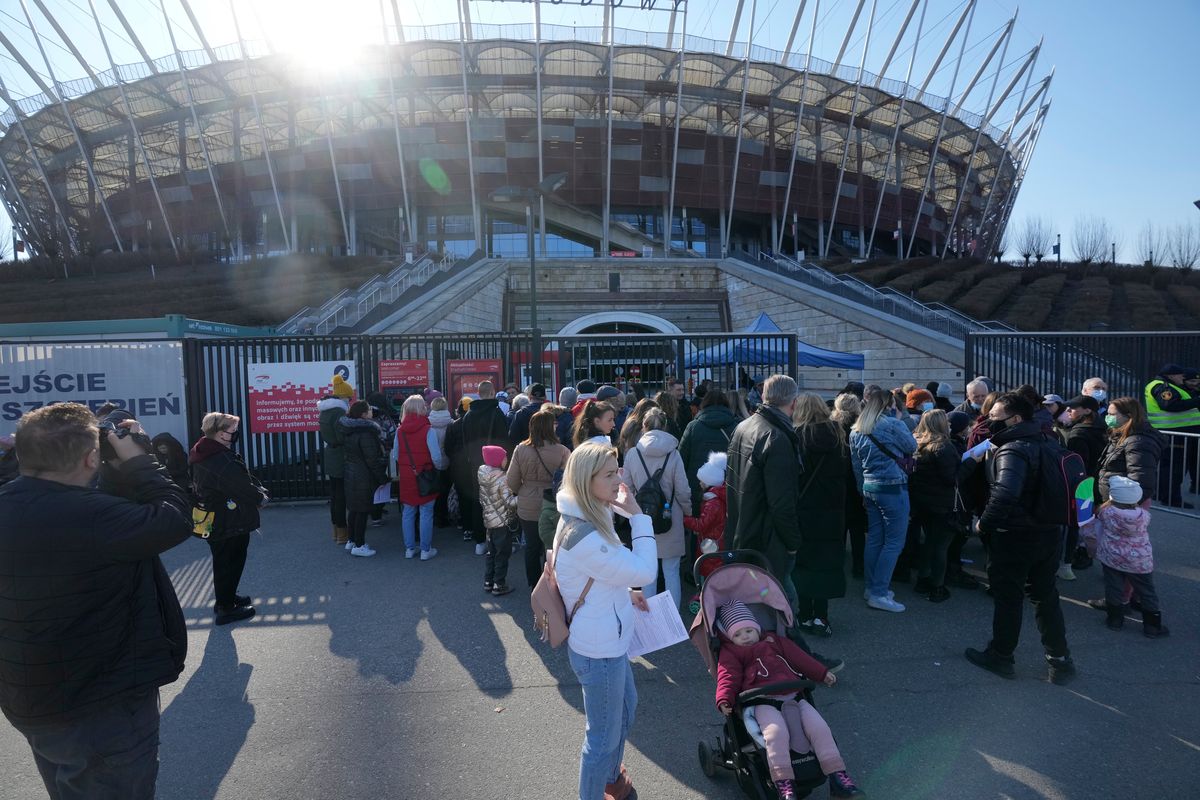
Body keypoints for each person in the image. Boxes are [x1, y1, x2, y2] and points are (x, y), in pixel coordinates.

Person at [0, 403, 191, 799]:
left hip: (30, 695)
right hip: (100, 706)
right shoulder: (96, 518)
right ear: (91, 458)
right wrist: (139, 458)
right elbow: (174, 516)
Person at [552, 442, 656, 800]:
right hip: (599, 649)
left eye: (618, 470)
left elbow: (587, 577)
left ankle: (611, 777)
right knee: (601, 738)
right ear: (586, 480)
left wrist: (626, 592)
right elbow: (644, 569)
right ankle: (596, 790)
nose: (619, 480)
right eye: (610, 474)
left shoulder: (589, 513)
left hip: (607, 639)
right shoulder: (584, 533)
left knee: (626, 709)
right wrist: (639, 516)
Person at [963, 392, 1075, 684]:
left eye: (995, 419)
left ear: (1015, 419)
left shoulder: (1013, 449)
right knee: (1045, 596)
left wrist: (984, 525)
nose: (990, 424)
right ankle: (1059, 660)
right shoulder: (1049, 442)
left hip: (1015, 535)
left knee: (1009, 597)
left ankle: (1001, 656)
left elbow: (1005, 493)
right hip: (1049, 531)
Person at [713, 601, 862, 799]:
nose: (745, 637)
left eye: (748, 630)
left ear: (757, 628)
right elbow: (727, 676)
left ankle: (838, 777)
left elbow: (800, 658)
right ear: (730, 638)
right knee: (776, 734)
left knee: (820, 729)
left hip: (794, 697)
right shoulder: (731, 652)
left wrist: (821, 672)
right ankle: (784, 782)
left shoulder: (774, 641)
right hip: (761, 701)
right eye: (737, 635)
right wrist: (724, 699)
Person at [1086, 398, 1164, 615]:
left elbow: (1140, 480)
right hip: (1119, 503)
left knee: (1125, 554)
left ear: (1128, 416)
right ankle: (1134, 597)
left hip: (1125, 506)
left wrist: (1115, 505)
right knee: (1128, 552)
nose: (1107, 417)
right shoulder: (1124, 436)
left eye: (1112, 413)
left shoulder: (1137, 441)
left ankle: (1121, 600)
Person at [190, 412, 268, 624]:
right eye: (232, 431)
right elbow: (241, 486)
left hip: (216, 517)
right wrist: (260, 497)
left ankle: (227, 598)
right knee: (230, 561)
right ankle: (226, 608)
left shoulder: (205, 451)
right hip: (228, 519)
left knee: (224, 560)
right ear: (219, 433)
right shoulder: (219, 458)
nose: (235, 435)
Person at [726, 375, 803, 591]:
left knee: (751, 604)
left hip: (743, 530)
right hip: (766, 541)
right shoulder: (777, 437)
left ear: (763, 396)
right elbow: (781, 502)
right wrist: (792, 543)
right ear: (794, 402)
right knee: (775, 603)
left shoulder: (744, 426)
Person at [849, 387, 917, 613]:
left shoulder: (856, 430)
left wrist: (861, 490)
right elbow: (911, 446)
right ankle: (879, 592)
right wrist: (897, 419)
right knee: (894, 542)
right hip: (892, 487)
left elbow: (856, 466)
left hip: (870, 487)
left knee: (876, 538)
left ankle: (872, 587)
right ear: (890, 405)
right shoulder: (892, 424)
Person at [1080, 476, 1169, 637]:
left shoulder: (1106, 512)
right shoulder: (1143, 516)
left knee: (1114, 588)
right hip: (1139, 561)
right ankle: (1152, 625)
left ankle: (1115, 619)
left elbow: (1097, 516)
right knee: (1147, 591)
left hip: (1112, 558)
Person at [791, 394, 848, 637]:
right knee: (826, 564)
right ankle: (821, 616)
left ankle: (804, 614)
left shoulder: (796, 438)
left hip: (805, 509)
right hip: (833, 509)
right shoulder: (838, 436)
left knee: (803, 564)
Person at [623, 408, 691, 609]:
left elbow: (626, 487)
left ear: (643, 427)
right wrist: (688, 512)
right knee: (671, 570)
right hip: (670, 516)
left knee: (647, 572)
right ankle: (672, 616)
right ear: (665, 426)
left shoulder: (633, 453)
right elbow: (682, 490)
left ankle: (648, 615)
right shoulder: (674, 454)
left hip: (643, 518)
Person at [445, 380, 511, 555]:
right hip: (497, 464)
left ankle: (480, 540)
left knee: (478, 500)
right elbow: (505, 440)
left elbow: (466, 442)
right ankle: (499, 541)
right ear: (492, 393)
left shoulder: (468, 415)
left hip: (474, 464)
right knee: (499, 501)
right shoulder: (497, 414)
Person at [508, 407, 571, 588]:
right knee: (551, 545)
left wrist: (523, 490)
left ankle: (534, 584)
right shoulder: (562, 451)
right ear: (551, 427)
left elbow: (511, 480)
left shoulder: (521, 449)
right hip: (553, 502)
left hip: (527, 500)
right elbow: (568, 480)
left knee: (531, 545)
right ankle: (552, 583)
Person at [907, 410, 958, 603]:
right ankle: (937, 586)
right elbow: (951, 479)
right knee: (940, 545)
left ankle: (922, 579)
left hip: (922, 501)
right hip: (941, 503)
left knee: (929, 542)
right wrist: (970, 462)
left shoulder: (917, 442)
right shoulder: (944, 447)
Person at [1058, 395, 1107, 579]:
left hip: (1083, 485)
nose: (1069, 411)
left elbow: (1077, 466)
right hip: (1098, 483)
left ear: (1087, 410)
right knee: (1089, 524)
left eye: (1073, 408)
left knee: (1074, 524)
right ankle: (1086, 555)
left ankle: (1068, 562)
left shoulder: (1078, 434)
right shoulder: (1103, 428)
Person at [396, 394, 446, 561]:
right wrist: (437, 469)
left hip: (407, 475)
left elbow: (395, 455)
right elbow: (436, 456)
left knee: (408, 512)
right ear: (422, 409)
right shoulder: (428, 429)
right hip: (425, 474)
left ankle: (409, 549)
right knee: (426, 512)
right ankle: (426, 549)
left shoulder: (400, 430)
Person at [1144, 363, 1200, 508]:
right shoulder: (1163, 387)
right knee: (1174, 468)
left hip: (1174, 433)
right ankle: (1171, 498)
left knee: (1169, 466)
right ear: (1172, 375)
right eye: (1180, 375)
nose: (1183, 377)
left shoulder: (1165, 385)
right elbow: (1169, 405)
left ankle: (1162, 493)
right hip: (1174, 433)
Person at [679, 389, 739, 516]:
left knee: (699, 527)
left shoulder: (693, 427)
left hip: (698, 488)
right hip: (727, 490)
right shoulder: (736, 427)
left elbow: (681, 460)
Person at [340, 400, 389, 558]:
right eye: (368, 409)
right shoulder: (366, 432)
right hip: (363, 476)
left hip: (351, 473)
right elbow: (372, 460)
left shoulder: (349, 429)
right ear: (363, 414)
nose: (371, 411)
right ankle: (359, 545)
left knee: (354, 509)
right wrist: (383, 478)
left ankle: (352, 540)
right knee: (362, 510)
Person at [319, 374, 355, 545]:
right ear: (343, 397)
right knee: (341, 496)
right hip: (340, 456)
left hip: (330, 455)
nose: (350, 400)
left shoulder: (325, 410)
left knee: (334, 495)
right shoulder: (339, 412)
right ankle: (342, 532)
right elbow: (342, 436)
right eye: (349, 397)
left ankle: (336, 531)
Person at [478, 445, 519, 595]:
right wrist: (523, 498)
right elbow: (510, 502)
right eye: (504, 457)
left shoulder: (482, 474)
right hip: (502, 522)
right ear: (497, 460)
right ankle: (499, 584)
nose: (507, 460)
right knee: (502, 553)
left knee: (491, 552)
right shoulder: (503, 478)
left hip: (489, 521)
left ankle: (488, 581)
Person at [367, 392, 398, 526]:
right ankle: (376, 515)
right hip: (381, 456)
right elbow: (393, 434)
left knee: (366, 485)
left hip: (364, 457)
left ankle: (367, 511)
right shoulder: (384, 416)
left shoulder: (362, 415)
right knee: (380, 484)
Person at [428, 396, 454, 527]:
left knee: (433, 490)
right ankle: (444, 517)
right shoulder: (451, 422)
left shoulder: (427, 423)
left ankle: (434, 516)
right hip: (448, 461)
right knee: (446, 490)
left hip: (432, 462)